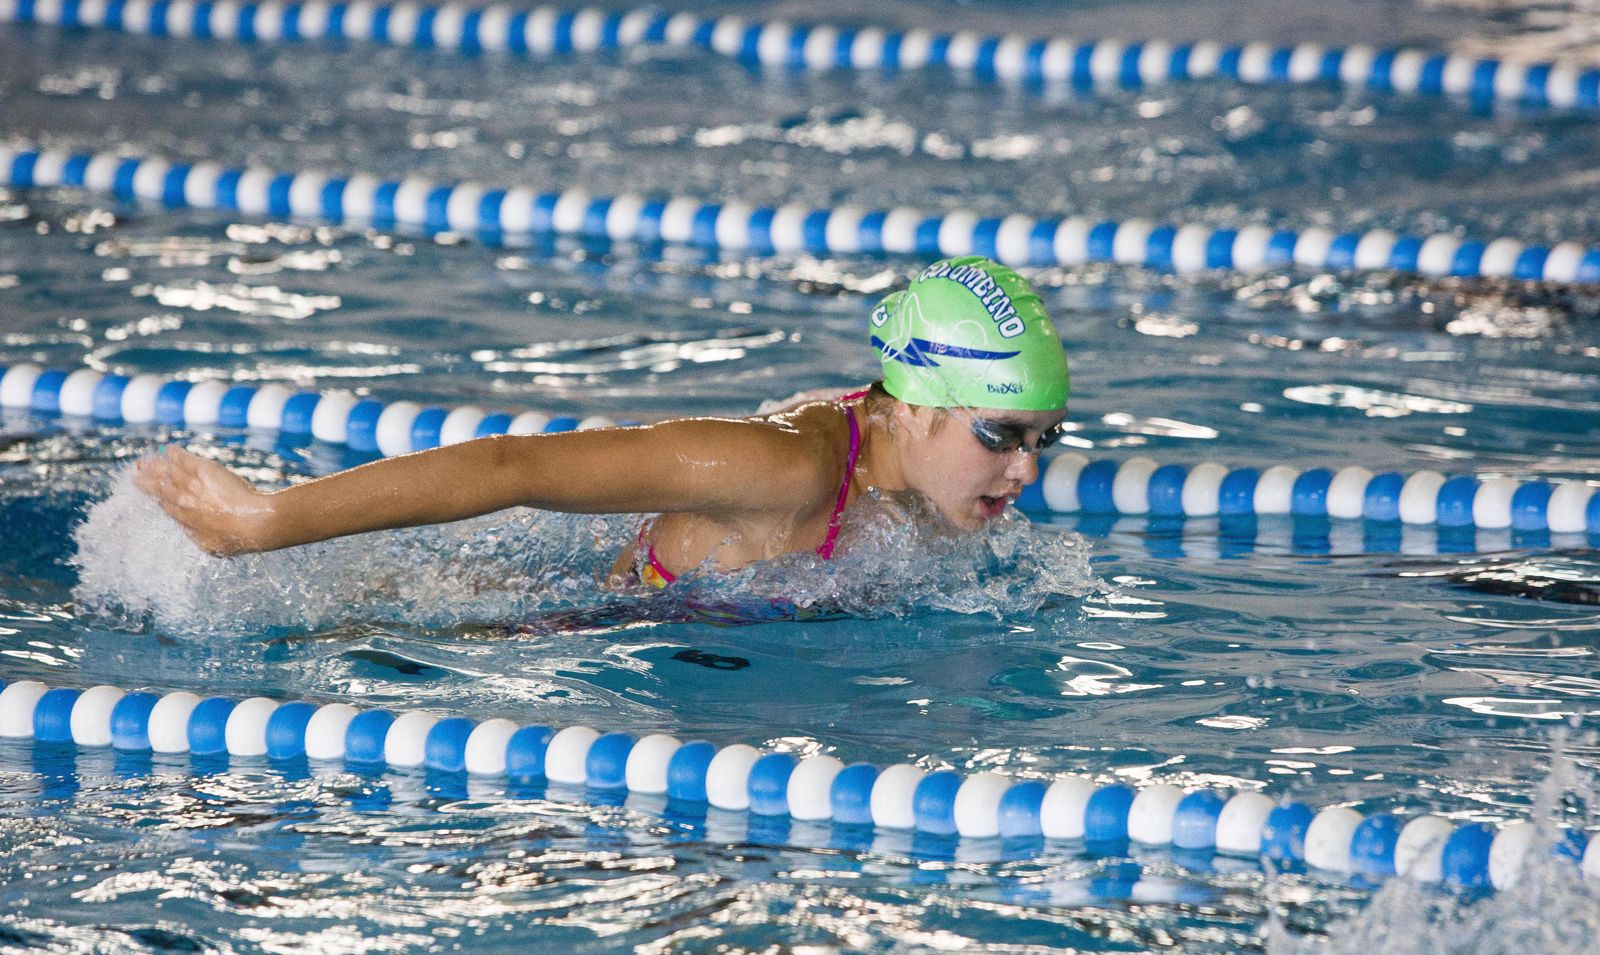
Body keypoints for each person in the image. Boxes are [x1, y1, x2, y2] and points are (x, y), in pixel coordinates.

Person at [134, 256, 1072, 587]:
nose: (1025, 469)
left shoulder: (918, 472)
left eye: (1043, 438)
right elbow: (512, 467)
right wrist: (262, 523)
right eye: (1001, 434)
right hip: (566, 630)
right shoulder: (779, 468)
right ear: (905, 410)